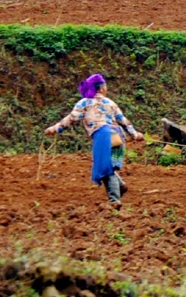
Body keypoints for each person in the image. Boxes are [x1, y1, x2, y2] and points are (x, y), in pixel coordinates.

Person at [45, 74, 144, 205]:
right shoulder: (110, 103)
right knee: (108, 167)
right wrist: (135, 134)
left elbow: (72, 118)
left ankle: (115, 200)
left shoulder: (84, 103)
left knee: (105, 169)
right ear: (101, 88)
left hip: (103, 136)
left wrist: (55, 128)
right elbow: (124, 121)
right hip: (117, 137)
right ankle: (120, 186)